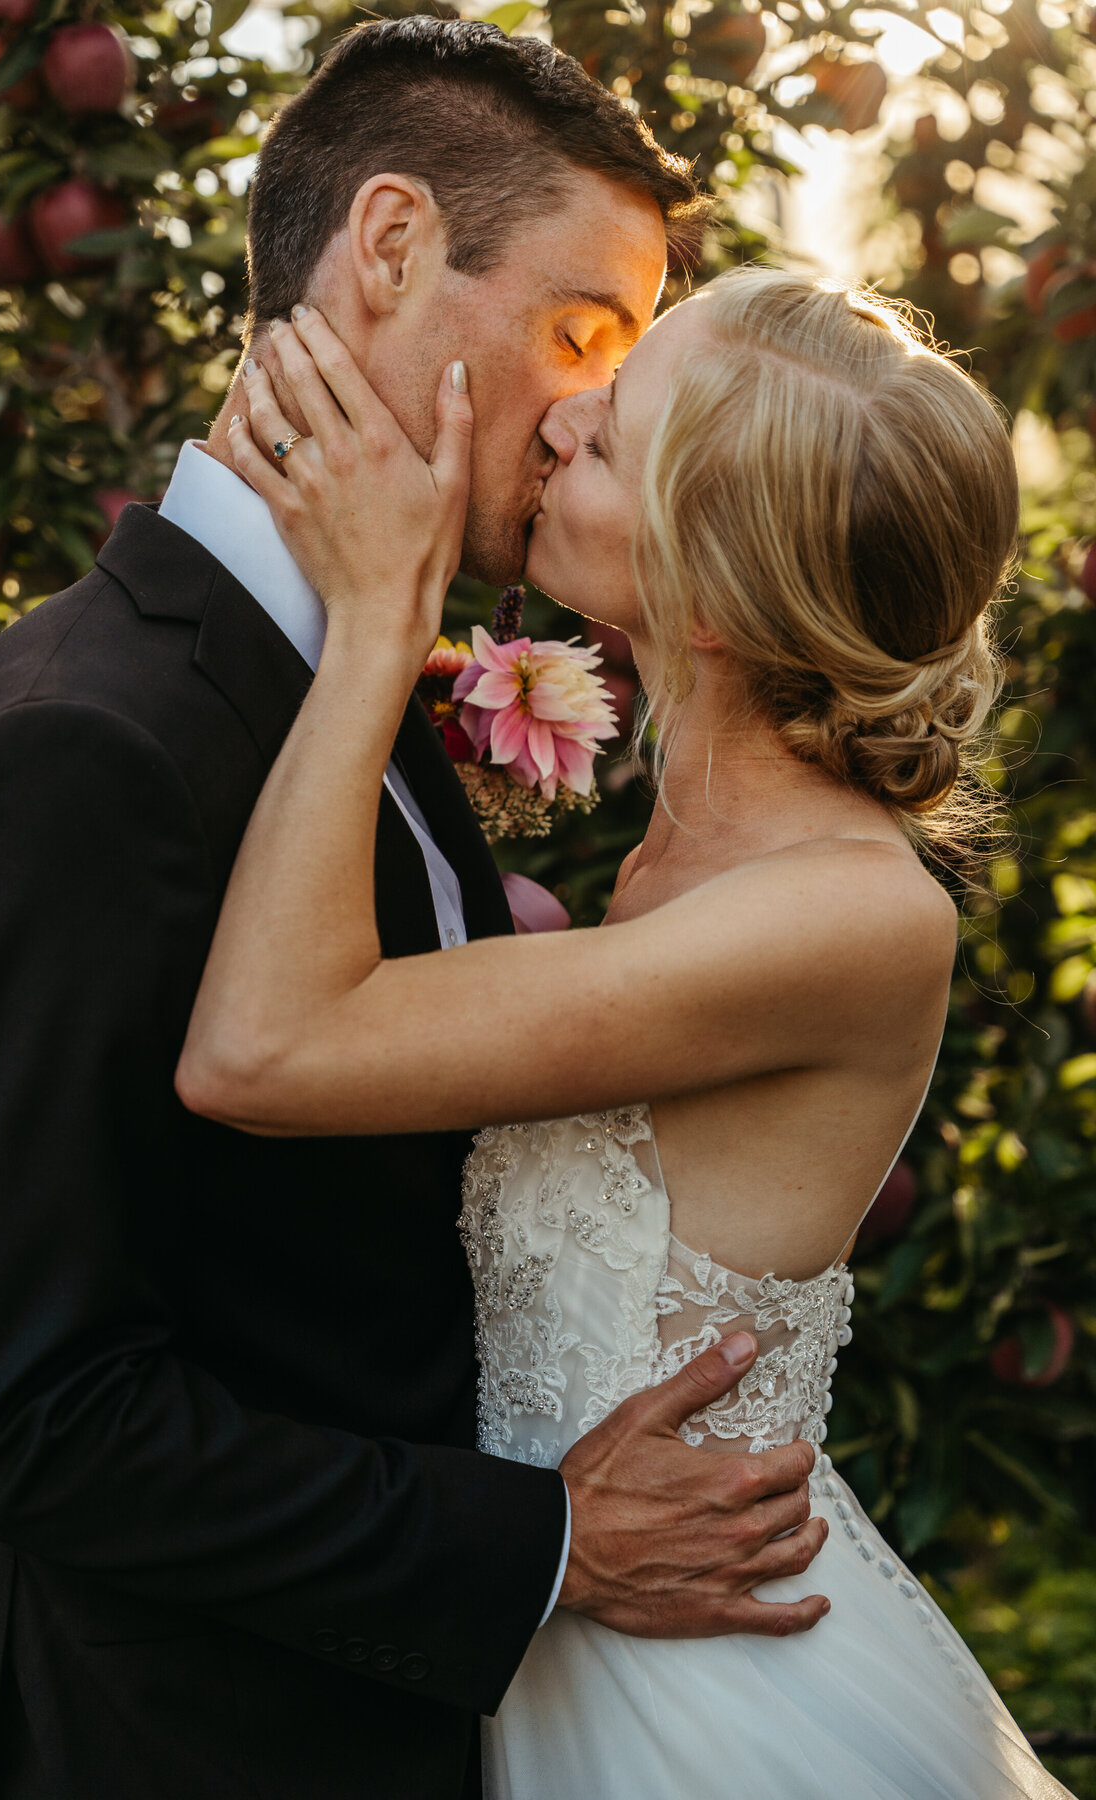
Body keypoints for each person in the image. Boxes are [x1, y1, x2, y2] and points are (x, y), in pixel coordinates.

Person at [0, 22, 830, 1800]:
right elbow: (41, 1423)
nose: (584, 413)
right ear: (390, 248)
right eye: (579, 331)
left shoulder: (359, 666)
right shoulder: (86, 743)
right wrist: (541, 1543)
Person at [177, 268, 1076, 1798]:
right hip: (562, 1627)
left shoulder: (849, 916)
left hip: (710, 1700)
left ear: (714, 598)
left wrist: (379, 624)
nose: (560, 415)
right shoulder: (676, 852)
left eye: (610, 436)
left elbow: (258, 1051)